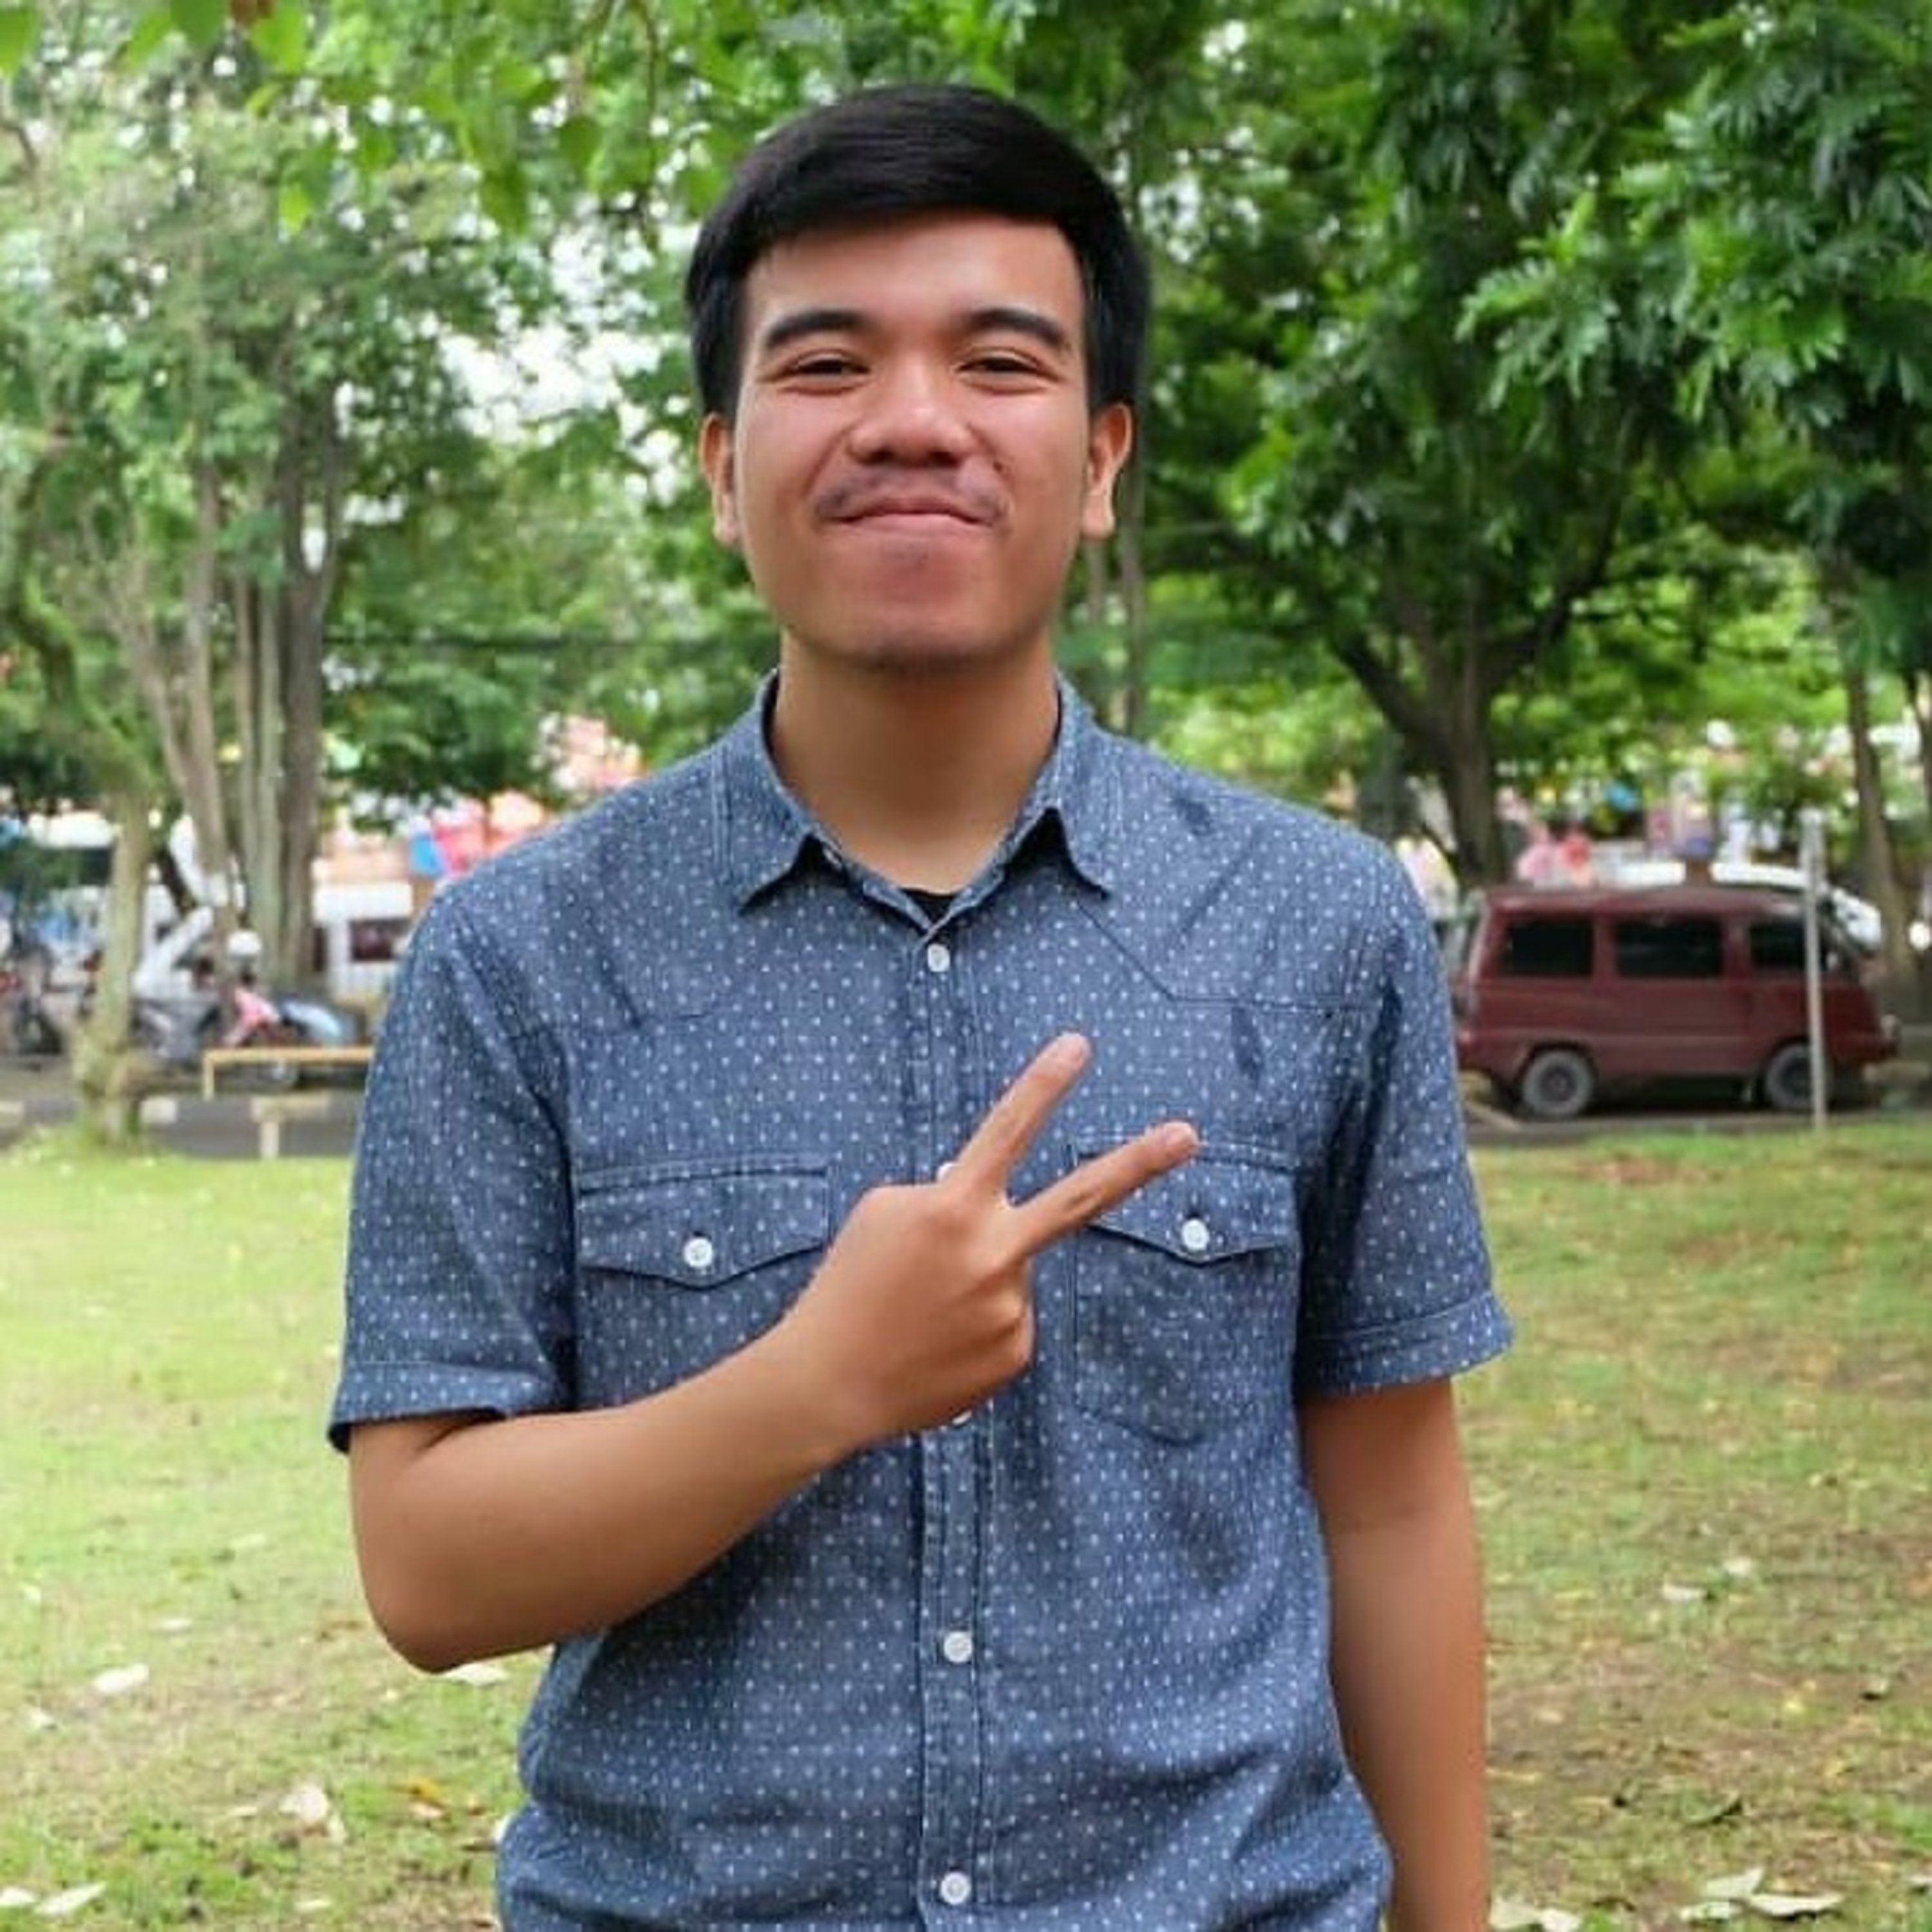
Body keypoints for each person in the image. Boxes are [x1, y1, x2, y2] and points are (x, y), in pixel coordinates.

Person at [331, 82, 1511, 1931]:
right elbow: (427, 1568)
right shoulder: (520, 954)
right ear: (721, 466)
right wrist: (815, 1384)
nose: (913, 420)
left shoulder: (1320, 923)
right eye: (826, 363)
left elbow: (1389, 1504)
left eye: (999, 361)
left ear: (1103, 459)